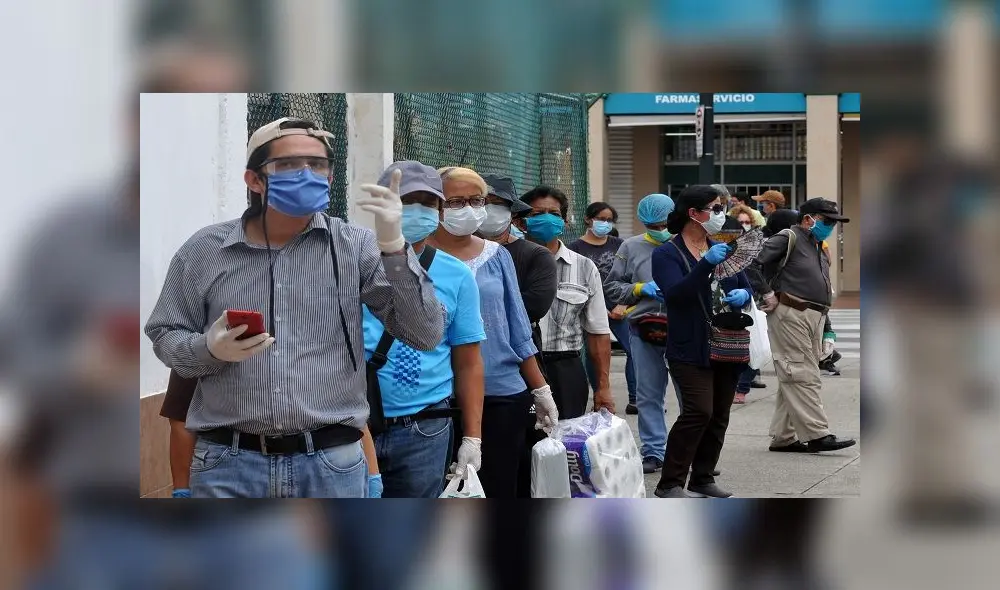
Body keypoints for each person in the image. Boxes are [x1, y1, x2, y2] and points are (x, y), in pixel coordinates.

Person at [144, 117, 444, 498]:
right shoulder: (204, 251)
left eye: (317, 165)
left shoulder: (356, 247)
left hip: (330, 465)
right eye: (288, 165)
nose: (307, 174)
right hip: (229, 465)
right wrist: (208, 350)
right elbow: (164, 333)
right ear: (254, 179)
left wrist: (394, 250)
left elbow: (425, 333)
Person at [426, 166, 557, 498]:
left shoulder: (497, 256)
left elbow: (516, 329)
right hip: (436, 397)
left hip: (502, 394)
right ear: (436, 204)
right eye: (456, 202)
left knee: (498, 486)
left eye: (476, 200)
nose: (468, 209)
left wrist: (540, 390)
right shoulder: (413, 256)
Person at [362, 161, 486, 498]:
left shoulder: (456, 274)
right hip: (353, 428)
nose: (418, 210)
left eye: (429, 202)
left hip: (424, 429)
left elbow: (468, 360)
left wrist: (472, 437)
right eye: (406, 200)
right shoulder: (354, 263)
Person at [650, 185, 754, 498]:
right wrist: (706, 263)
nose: (720, 215)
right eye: (714, 208)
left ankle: (703, 477)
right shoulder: (667, 253)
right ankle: (669, 483)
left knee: (720, 413)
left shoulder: (723, 246)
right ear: (693, 213)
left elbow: (747, 285)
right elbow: (676, 295)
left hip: (726, 343)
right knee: (698, 411)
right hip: (689, 346)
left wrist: (744, 294)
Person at [756, 198, 857, 454]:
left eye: (834, 222)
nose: (832, 226)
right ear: (808, 218)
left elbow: (821, 290)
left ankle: (784, 436)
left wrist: (828, 328)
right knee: (802, 374)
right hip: (791, 312)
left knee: (795, 375)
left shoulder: (815, 245)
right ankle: (817, 434)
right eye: (827, 221)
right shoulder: (788, 237)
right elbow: (752, 263)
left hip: (813, 315)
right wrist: (766, 292)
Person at [520, 186, 616, 418]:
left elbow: (598, 331)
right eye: (537, 214)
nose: (547, 219)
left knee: (565, 443)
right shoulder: (506, 260)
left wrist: (603, 387)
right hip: (517, 368)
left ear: (564, 220)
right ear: (521, 222)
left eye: (554, 214)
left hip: (565, 367)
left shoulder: (583, 267)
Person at [605, 193, 681, 474]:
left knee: (691, 397)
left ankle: (691, 452)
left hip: (683, 330)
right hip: (644, 329)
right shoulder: (631, 246)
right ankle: (654, 451)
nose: (659, 229)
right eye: (652, 225)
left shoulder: (687, 245)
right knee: (648, 395)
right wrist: (638, 289)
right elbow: (612, 287)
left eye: (663, 223)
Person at [478, 173, 558, 354]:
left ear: (512, 212)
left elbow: (533, 307)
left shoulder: (537, 255)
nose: (489, 209)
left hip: (517, 353)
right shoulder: (453, 253)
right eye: (482, 203)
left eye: (497, 204)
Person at [568, 202, 636, 411]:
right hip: (590, 307)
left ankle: (635, 398)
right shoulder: (575, 248)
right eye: (601, 219)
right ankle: (600, 395)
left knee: (633, 350)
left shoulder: (619, 245)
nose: (605, 224)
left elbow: (631, 276)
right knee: (593, 353)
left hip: (619, 307)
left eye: (609, 220)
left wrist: (623, 304)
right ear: (588, 219)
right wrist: (596, 309)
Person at [730, 203, 767, 403]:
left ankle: (742, 388)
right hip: (731, 302)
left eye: (747, 222)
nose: (744, 225)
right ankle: (736, 385)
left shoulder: (756, 243)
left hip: (754, 301)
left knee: (754, 347)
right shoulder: (725, 244)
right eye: (740, 222)